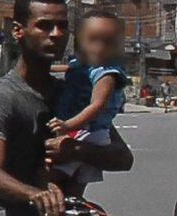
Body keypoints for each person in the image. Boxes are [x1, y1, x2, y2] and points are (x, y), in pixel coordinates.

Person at [0, 0, 133, 216]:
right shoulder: (2, 97)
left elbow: (123, 158)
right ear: (18, 31)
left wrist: (76, 150)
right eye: (44, 26)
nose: (56, 34)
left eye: (62, 26)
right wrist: (36, 194)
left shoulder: (72, 91)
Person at [47, 11, 129, 196]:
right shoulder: (82, 64)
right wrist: (45, 67)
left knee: (51, 177)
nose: (100, 47)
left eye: (108, 42)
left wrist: (67, 126)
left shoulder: (106, 73)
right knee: (73, 189)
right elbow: (68, 68)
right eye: (92, 40)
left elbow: (97, 105)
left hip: (89, 132)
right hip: (85, 130)